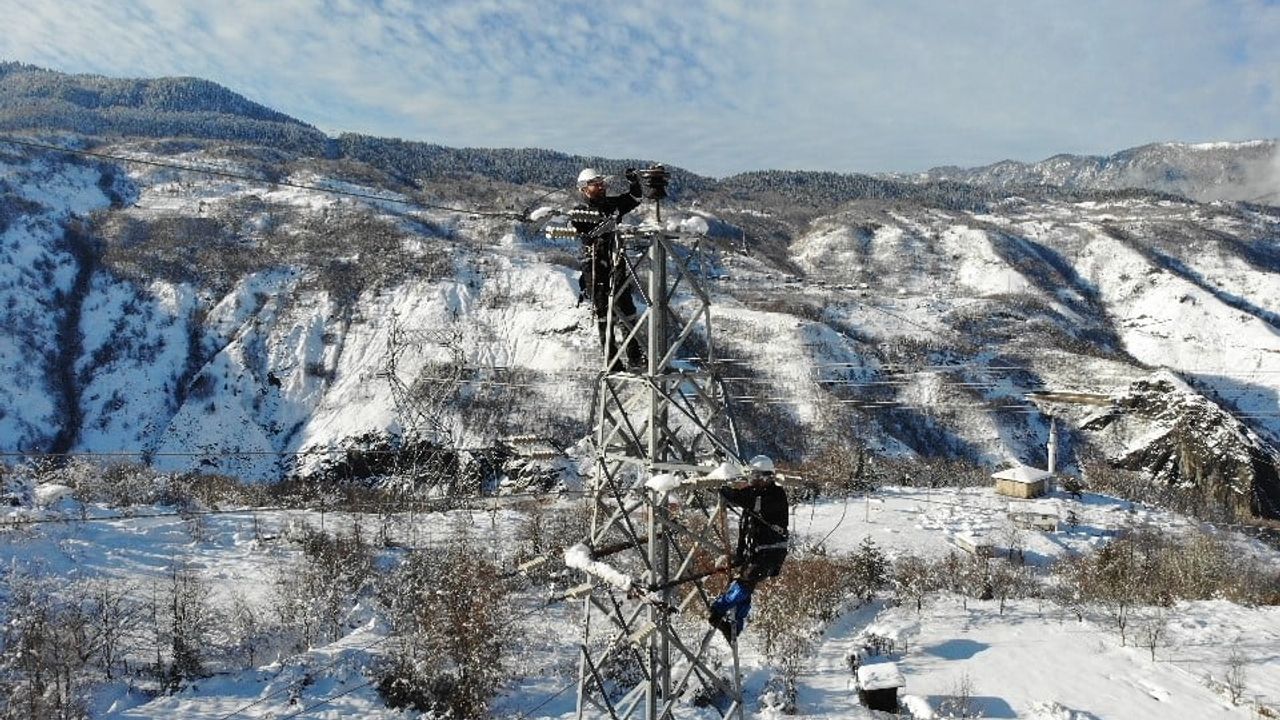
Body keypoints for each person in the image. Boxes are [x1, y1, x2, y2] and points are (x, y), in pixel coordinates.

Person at [570, 167, 645, 371]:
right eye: (596, 184)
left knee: (627, 308)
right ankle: (612, 359)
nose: (601, 187)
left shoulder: (611, 204)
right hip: (595, 263)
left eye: (602, 183)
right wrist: (604, 223)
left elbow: (634, 198)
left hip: (615, 260)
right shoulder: (581, 210)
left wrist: (634, 183)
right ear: (585, 189)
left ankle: (635, 356)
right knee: (604, 312)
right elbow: (582, 226)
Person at [709, 455, 789, 641]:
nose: (753, 481)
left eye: (757, 477)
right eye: (752, 477)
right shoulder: (756, 495)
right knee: (747, 584)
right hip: (758, 552)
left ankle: (718, 610)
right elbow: (746, 529)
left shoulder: (774, 494)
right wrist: (740, 555)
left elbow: (743, 498)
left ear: (767, 477)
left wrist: (726, 491)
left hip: (770, 552)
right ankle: (734, 627)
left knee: (745, 583)